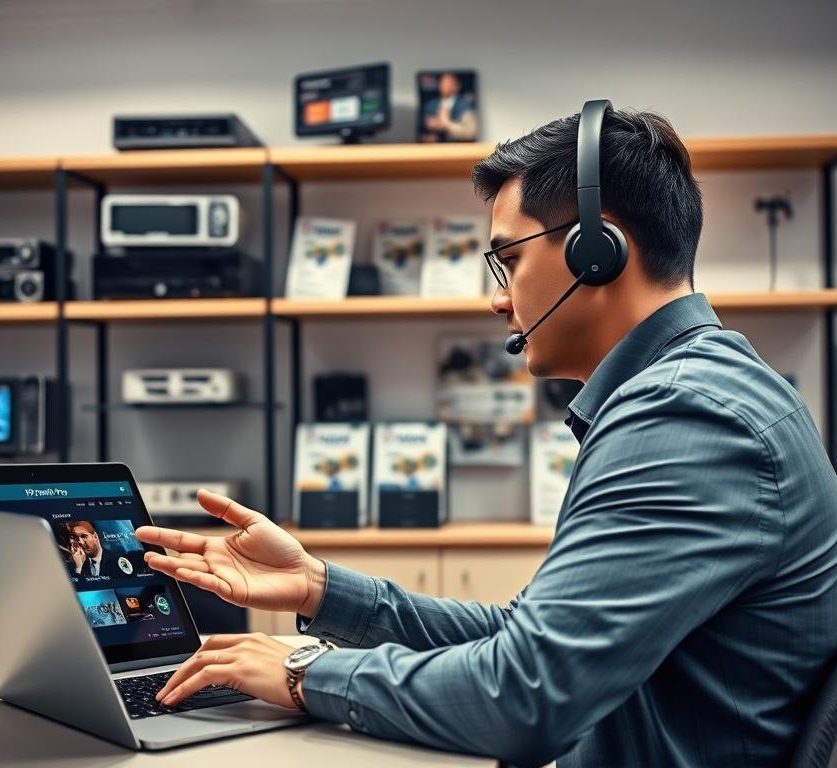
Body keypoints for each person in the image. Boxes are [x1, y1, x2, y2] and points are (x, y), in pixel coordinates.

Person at [135, 107, 837, 767]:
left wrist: (303, 668)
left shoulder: (687, 419)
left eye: (508, 259)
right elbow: (525, 641)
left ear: (600, 250)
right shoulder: (698, 392)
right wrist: (320, 590)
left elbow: (525, 695)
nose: (497, 295)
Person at [420, 71, 477, 142]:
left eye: (449, 83)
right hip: (433, 147)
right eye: (443, 83)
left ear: (457, 86)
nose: (445, 86)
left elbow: (470, 132)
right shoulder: (430, 105)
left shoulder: (465, 105)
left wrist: (447, 124)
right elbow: (421, 130)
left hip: (458, 146)